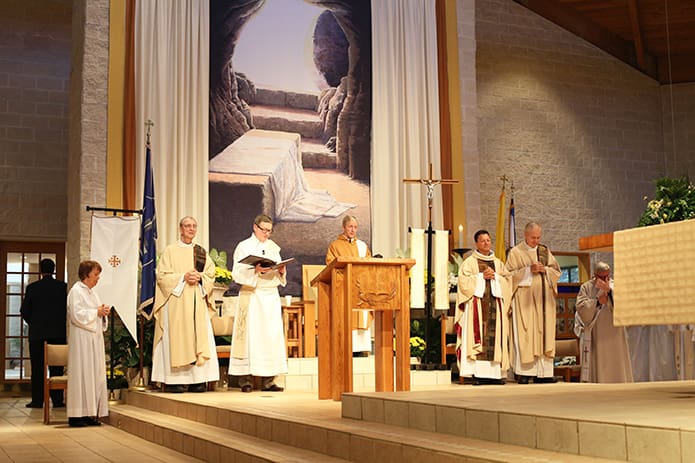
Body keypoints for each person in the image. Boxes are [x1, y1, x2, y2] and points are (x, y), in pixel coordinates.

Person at [151, 216, 219, 393]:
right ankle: (175, 381)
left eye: (194, 226)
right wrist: (183, 277)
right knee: (178, 338)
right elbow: (162, 276)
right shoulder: (170, 251)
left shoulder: (201, 253)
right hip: (176, 304)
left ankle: (198, 380)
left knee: (197, 337)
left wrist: (201, 278)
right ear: (180, 229)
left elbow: (210, 275)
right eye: (187, 226)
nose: (191, 229)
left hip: (197, 302)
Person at [230, 214, 288, 392]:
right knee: (250, 336)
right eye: (264, 230)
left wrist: (281, 271)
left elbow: (278, 271)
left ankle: (269, 381)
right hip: (252, 295)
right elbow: (237, 273)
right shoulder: (244, 246)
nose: (267, 234)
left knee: (270, 337)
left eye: (269, 230)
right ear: (255, 227)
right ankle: (245, 380)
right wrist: (254, 271)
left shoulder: (273, 248)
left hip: (269, 296)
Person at [505, 222, 561, 384]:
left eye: (538, 237)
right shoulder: (516, 252)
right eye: (533, 238)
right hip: (525, 302)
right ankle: (524, 373)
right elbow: (507, 276)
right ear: (525, 235)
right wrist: (528, 270)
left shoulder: (544, 251)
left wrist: (546, 270)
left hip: (544, 302)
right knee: (526, 335)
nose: (536, 241)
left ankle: (544, 373)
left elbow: (556, 271)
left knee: (544, 334)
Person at [455, 230, 512, 385]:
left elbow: (508, 281)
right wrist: (481, 277)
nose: (486, 243)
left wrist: (496, 278)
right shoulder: (470, 262)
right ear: (477, 244)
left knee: (495, 338)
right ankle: (477, 374)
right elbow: (463, 283)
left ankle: (495, 375)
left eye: (488, 240)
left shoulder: (498, 263)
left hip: (495, 307)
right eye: (483, 241)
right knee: (478, 337)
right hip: (476, 308)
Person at [66, 260, 109, 427]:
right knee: (82, 374)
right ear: (86, 275)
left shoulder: (92, 293)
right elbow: (76, 315)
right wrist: (95, 312)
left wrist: (102, 312)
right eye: (96, 274)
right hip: (82, 339)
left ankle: (89, 413)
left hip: (93, 339)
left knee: (93, 375)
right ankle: (76, 415)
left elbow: (95, 312)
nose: (98, 278)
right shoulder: (76, 291)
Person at [20, 258, 67, 409]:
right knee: (57, 368)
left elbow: (24, 311)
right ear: (53, 269)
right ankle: (58, 400)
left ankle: (38, 400)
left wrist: (34, 323)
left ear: (41, 270)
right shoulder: (63, 287)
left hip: (37, 334)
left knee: (37, 367)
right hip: (58, 333)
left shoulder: (32, 288)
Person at [575, 262, 633, 383]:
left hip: (615, 332)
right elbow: (581, 308)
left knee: (617, 360)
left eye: (607, 276)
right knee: (601, 361)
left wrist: (610, 293)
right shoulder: (586, 287)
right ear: (595, 275)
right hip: (598, 332)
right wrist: (597, 301)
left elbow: (626, 305)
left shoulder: (615, 285)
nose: (605, 279)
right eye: (601, 277)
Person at [326, 214, 373, 355]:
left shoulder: (362, 246)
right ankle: (346, 348)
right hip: (344, 288)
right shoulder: (335, 245)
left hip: (360, 288)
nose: (353, 230)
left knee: (361, 315)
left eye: (355, 227)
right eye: (350, 227)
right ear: (344, 227)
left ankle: (361, 349)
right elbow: (330, 265)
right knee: (346, 317)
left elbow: (369, 265)